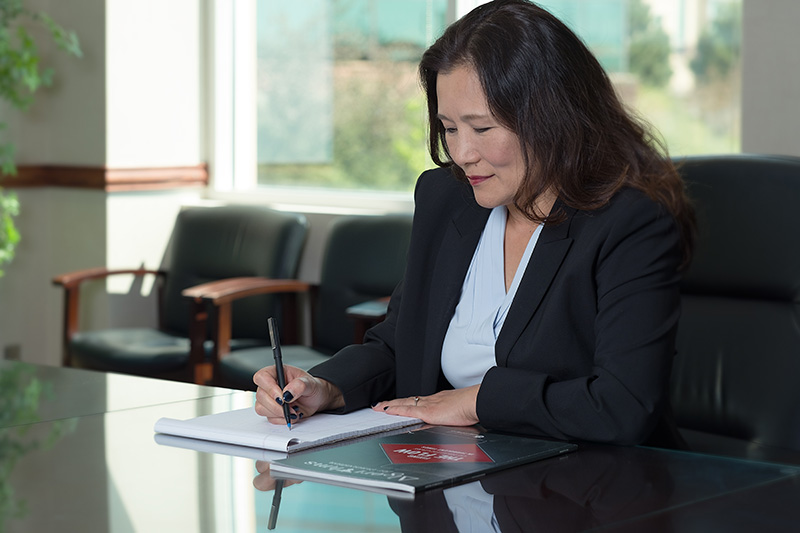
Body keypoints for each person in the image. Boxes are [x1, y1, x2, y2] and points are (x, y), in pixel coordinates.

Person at [254, 0, 696, 448]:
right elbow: (399, 344)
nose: (462, 154)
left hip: (588, 493)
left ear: (553, 116)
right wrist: (324, 387)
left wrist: (476, 401)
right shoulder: (446, 198)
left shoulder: (629, 221)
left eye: (481, 129)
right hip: (453, 479)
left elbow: (622, 406)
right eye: (449, 128)